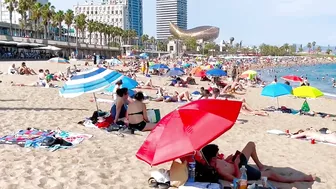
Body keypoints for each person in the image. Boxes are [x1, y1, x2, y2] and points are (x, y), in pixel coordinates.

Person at [201, 143, 316, 183]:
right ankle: (304, 178)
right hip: (242, 170)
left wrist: (228, 160)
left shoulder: (214, 161)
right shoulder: (219, 170)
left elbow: (224, 162)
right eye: (217, 154)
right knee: (270, 174)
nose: (218, 155)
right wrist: (235, 164)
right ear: (212, 158)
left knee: (251, 144)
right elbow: (238, 180)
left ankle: (260, 166)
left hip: (238, 163)